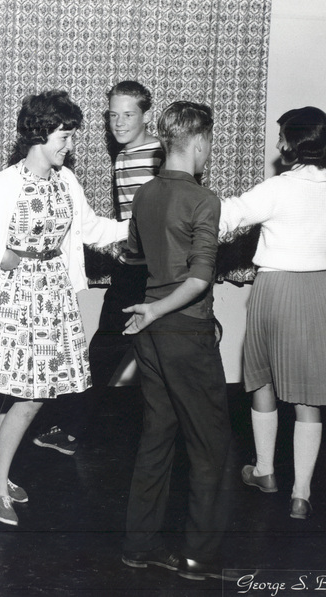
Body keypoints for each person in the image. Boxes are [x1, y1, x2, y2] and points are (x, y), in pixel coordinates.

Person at [0, 90, 128, 526]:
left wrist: (136, 226)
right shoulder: (3, 185)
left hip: (52, 295)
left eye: (72, 136)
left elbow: (91, 229)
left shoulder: (67, 182)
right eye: (64, 137)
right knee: (32, 395)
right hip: (14, 297)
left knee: (24, 392)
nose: (70, 146)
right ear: (40, 134)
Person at [220, 106, 326, 520]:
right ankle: (301, 495)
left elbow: (228, 216)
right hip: (320, 291)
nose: (278, 145)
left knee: (262, 380)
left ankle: (265, 471)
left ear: (294, 144)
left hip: (275, 289)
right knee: (310, 395)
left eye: (282, 138)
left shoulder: (278, 188)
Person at [120, 101, 233, 581]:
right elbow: (200, 278)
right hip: (185, 330)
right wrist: (161, 308)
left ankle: (139, 546)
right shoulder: (204, 199)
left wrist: (150, 310)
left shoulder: (145, 193)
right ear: (200, 142)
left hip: (150, 335)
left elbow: (135, 253)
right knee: (211, 446)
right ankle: (199, 557)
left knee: (157, 436)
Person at [32, 81, 164, 456]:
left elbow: (172, 217)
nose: (118, 123)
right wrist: (126, 247)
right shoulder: (123, 156)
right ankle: (70, 430)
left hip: (158, 274)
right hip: (130, 270)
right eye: (112, 115)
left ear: (146, 116)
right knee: (105, 349)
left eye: (128, 115)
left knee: (161, 354)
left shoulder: (162, 154)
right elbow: (131, 221)